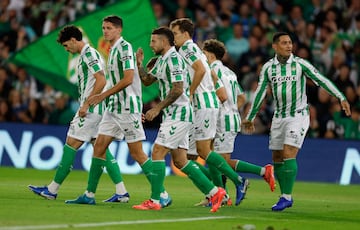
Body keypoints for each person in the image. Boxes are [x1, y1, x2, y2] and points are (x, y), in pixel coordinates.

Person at [65, 16, 171, 207]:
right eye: (104, 28)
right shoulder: (112, 50)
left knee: (137, 154)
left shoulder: (124, 48)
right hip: (113, 109)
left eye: (109, 28)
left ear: (119, 31)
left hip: (126, 108)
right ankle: (89, 194)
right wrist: (107, 98)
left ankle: (161, 193)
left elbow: (129, 79)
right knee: (99, 147)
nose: (105, 31)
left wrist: (103, 95)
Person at [242, 32, 351, 211]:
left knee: (288, 152)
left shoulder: (300, 64)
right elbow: (260, 92)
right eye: (284, 43)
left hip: (298, 115)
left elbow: (320, 79)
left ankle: (286, 196)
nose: (289, 46)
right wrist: (250, 117)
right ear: (275, 46)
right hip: (278, 117)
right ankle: (284, 196)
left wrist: (340, 96)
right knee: (277, 157)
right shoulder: (268, 68)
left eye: (290, 42)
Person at [28, 25, 128, 202]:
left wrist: (87, 103)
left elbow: (101, 79)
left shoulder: (89, 54)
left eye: (67, 46)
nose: (67, 50)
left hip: (91, 111)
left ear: (74, 40)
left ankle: (52, 190)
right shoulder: (87, 55)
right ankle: (121, 192)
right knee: (102, 151)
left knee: (70, 144)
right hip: (98, 110)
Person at [132, 26, 226, 212]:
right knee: (181, 161)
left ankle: (155, 199)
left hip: (179, 112)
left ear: (165, 42)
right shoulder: (162, 60)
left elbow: (177, 89)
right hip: (174, 113)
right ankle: (215, 192)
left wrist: (157, 108)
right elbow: (148, 80)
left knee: (157, 152)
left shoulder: (174, 59)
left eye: (154, 41)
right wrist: (140, 64)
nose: (151, 44)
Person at [170, 18, 248, 206]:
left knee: (202, 151)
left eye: (175, 33)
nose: (173, 38)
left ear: (186, 34)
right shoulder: (197, 52)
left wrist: (190, 92)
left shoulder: (188, 48)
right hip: (206, 106)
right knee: (188, 157)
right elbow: (218, 87)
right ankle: (217, 192)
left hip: (202, 106)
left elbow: (200, 70)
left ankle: (237, 182)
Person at [202, 38, 275, 193]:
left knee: (222, 161)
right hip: (228, 117)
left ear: (210, 55)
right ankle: (219, 194)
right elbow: (241, 98)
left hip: (222, 120)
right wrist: (231, 110)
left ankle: (262, 172)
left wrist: (225, 111)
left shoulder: (211, 72)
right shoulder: (230, 72)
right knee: (211, 157)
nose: (202, 57)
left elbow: (220, 96)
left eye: (203, 53)